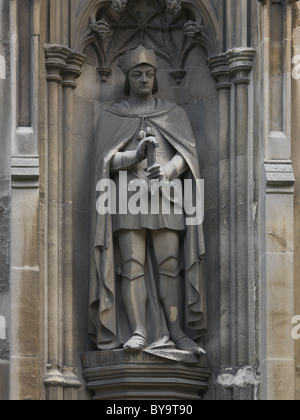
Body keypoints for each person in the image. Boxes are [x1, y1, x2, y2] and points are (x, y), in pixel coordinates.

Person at [89, 46, 206, 356]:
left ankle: (177, 331)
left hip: (167, 196)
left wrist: (169, 169)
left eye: (149, 74)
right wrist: (134, 156)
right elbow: (105, 162)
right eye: (137, 74)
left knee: (170, 265)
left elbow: (188, 155)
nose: (144, 78)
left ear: (156, 79)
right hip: (127, 197)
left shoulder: (173, 114)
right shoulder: (115, 116)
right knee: (131, 264)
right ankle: (139, 329)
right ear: (128, 79)